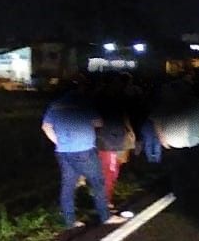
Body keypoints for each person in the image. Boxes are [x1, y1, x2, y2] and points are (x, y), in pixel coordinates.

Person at [42, 79, 119, 229]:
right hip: (84, 150)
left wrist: (58, 141)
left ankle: (70, 221)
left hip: (63, 151)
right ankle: (105, 216)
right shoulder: (84, 103)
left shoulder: (55, 104)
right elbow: (99, 123)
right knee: (98, 182)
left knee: (68, 185)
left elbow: (45, 127)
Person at [152, 77, 199, 199]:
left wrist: (162, 139)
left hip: (184, 142)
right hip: (183, 143)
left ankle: (186, 192)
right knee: (185, 170)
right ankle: (188, 192)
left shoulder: (192, 103)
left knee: (183, 170)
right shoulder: (172, 103)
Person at [94, 76, 136, 216]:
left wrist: (129, 131)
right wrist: (130, 131)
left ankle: (105, 200)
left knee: (111, 171)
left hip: (111, 140)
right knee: (110, 172)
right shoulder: (109, 100)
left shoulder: (102, 99)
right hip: (110, 141)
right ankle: (105, 202)